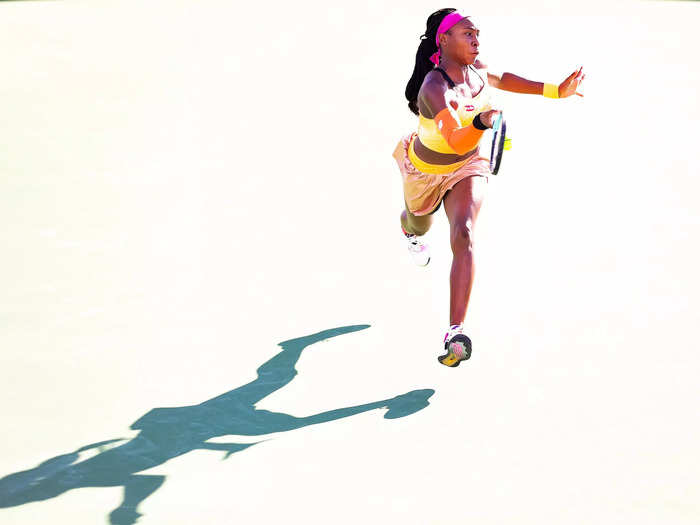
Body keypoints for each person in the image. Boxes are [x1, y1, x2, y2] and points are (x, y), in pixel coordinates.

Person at [394, 8, 584, 367]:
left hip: (468, 166)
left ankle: (455, 331)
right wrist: (481, 122)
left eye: (478, 33)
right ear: (444, 40)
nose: (476, 40)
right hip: (425, 170)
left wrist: (556, 91)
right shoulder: (434, 87)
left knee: (463, 233)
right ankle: (409, 229)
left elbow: (504, 79)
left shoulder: (478, 74)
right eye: (468, 33)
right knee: (418, 222)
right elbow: (455, 138)